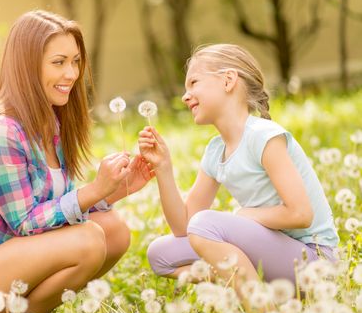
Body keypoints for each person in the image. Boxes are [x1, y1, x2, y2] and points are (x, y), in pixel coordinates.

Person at [0, 10, 153, 313]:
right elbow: (26, 222)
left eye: (76, 61)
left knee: (114, 231)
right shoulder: (0, 128)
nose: (71, 73)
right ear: (27, 66)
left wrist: (114, 191)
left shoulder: (50, 123)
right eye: (59, 62)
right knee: (89, 239)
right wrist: (95, 189)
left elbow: (55, 211)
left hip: (4, 262)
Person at [139, 44, 338, 286]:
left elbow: (301, 214)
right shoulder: (215, 151)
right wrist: (163, 168)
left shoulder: (263, 136)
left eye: (194, 83)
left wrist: (245, 215)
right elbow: (184, 227)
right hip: (270, 251)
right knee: (161, 254)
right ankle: (254, 284)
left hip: (314, 260)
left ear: (228, 80)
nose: (185, 95)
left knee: (206, 224)